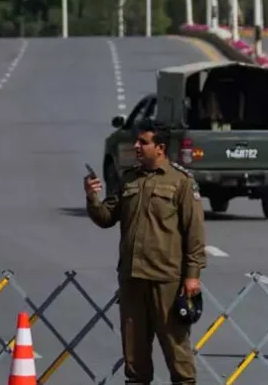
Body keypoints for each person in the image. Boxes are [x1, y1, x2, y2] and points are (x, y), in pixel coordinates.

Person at [84, 121, 206, 385]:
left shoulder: (181, 182)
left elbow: (194, 233)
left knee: (177, 353)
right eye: (136, 141)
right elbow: (106, 217)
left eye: (143, 142)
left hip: (167, 281)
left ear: (160, 148)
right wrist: (92, 198)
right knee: (135, 358)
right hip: (132, 279)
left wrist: (192, 276)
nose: (136, 146)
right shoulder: (129, 179)